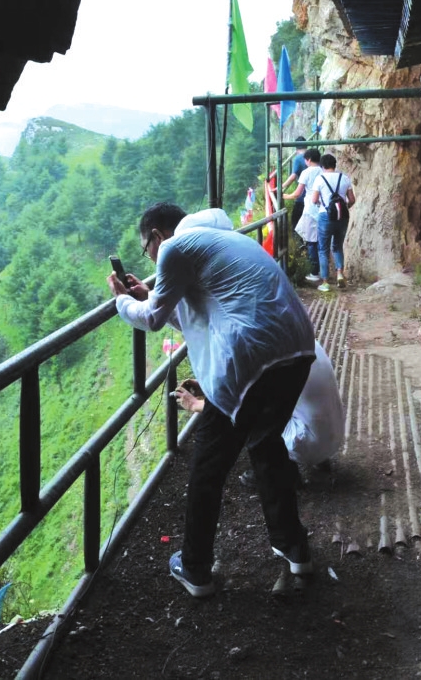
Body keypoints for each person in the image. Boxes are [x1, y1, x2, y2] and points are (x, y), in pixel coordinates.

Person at [107, 203, 315, 598]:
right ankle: (294, 548)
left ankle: (195, 567)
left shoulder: (174, 249)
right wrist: (150, 295)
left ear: (157, 237)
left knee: (208, 465)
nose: (151, 258)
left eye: (147, 249)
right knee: (266, 444)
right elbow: (196, 315)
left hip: (251, 357)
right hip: (299, 347)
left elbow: (151, 320)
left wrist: (121, 301)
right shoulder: (223, 239)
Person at [175, 339, 345, 480]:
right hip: (334, 435)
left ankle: (280, 471)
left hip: (310, 444)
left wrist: (195, 404)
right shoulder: (297, 337)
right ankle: (318, 459)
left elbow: (240, 407)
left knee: (250, 421)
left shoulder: (263, 352)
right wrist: (207, 387)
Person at [311, 153, 356, 293]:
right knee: (337, 246)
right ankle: (340, 274)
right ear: (335, 165)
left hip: (325, 216)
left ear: (322, 166)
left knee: (323, 249)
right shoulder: (345, 178)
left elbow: (314, 200)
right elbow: (352, 199)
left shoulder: (319, 179)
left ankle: (325, 282)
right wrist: (343, 208)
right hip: (342, 217)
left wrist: (323, 205)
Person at [283, 147, 321, 283]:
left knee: (311, 242)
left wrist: (285, 196)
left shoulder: (306, 172)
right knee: (321, 242)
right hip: (323, 210)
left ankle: (314, 272)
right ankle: (323, 271)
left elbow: (297, 193)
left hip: (310, 210)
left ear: (308, 160)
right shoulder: (323, 171)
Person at [282, 137, 309, 232]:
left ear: (296, 147)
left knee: (296, 221)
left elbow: (293, 176)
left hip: (302, 195)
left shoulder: (298, 158)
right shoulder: (313, 156)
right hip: (313, 196)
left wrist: (281, 186)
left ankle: (298, 239)